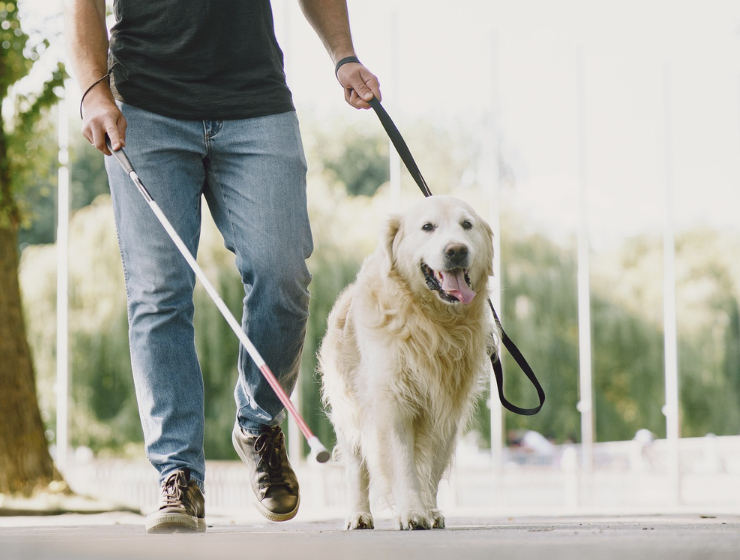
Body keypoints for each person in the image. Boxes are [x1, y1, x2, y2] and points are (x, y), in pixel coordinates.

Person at [65, 0, 380, 533]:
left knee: (284, 274)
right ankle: (178, 473)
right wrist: (94, 89)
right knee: (158, 293)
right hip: (146, 107)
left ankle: (258, 422)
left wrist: (343, 55)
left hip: (256, 104)